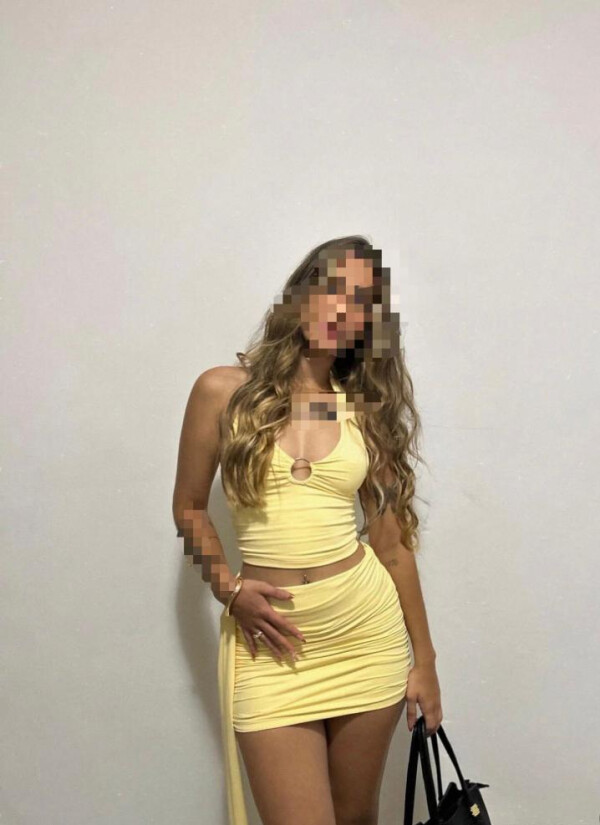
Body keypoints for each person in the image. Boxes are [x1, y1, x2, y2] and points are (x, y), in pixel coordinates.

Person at [172, 235, 443, 825]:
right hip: (271, 644)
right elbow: (189, 508)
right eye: (334, 289)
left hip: (364, 636)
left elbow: (392, 546)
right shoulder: (222, 391)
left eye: (362, 302)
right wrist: (229, 589)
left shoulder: (363, 409)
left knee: (356, 818)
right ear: (300, 294)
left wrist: (424, 662)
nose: (344, 309)